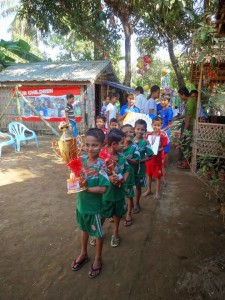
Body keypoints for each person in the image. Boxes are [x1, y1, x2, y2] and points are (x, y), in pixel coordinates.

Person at [71, 128, 110, 278]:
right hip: (81, 206)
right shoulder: (80, 160)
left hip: (94, 209)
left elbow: (103, 189)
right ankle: (83, 253)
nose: (90, 148)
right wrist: (73, 179)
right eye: (87, 144)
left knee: (98, 234)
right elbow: (74, 177)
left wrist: (86, 189)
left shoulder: (101, 165)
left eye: (95, 145)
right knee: (84, 230)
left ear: (102, 145)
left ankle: (98, 258)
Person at [101, 129, 130, 247]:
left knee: (118, 214)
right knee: (102, 214)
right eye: (122, 143)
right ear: (114, 144)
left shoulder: (122, 156)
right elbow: (98, 172)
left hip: (119, 193)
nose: (124, 145)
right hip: (106, 193)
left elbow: (127, 169)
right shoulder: (102, 157)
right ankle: (97, 232)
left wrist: (123, 178)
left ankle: (115, 233)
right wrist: (109, 178)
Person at [132, 119, 154, 213]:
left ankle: (136, 203)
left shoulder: (146, 142)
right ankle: (129, 204)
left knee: (138, 187)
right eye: (138, 129)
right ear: (134, 129)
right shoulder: (130, 141)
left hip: (139, 169)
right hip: (129, 169)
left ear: (145, 131)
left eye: (142, 130)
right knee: (128, 185)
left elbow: (150, 156)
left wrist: (140, 161)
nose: (140, 131)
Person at [144, 117, 169, 199]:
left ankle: (157, 192)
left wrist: (159, 149)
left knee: (157, 176)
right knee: (148, 174)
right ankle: (149, 189)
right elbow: (146, 145)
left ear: (161, 125)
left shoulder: (163, 135)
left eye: (158, 125)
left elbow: (164, 146)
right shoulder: (148, 135)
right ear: (151, 125)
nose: (156, 127)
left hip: (158, 158)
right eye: (154, 125)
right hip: (149, 158)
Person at [121, 124, 140, 226]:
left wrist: (125, 158)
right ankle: (117, 212)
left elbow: (137, 161)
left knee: (129, 195)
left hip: (129, 176)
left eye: (130, 132)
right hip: (118, 175)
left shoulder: (134, 146)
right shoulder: (118, 146)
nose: (128, 134)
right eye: (125, 132)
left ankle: (128, 213)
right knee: (119, 194)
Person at [178, 87, 197, 169]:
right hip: (190, 124)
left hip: (190, 126)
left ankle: (186, 163)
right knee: (186, 144)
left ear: (183, 94)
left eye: (180, 96)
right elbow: (187, 115)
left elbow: (188, 119)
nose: (180, 97)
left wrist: (184, 132)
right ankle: (185, 162)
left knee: (186, 144)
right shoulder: (191, 101)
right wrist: (178, 117)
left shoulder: (190, 103)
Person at [160, 94, 173, 185]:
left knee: (165, 151)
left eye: (165, 100)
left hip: (166, 134)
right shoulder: (161, 111)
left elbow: (170, 124)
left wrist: (162, 130)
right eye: (162, 100)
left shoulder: (169, 111)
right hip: (161, 132)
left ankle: (164, 168)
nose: (163, 102)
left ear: (168, 101)